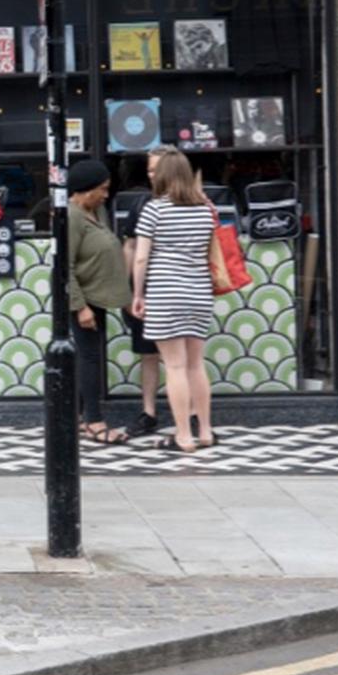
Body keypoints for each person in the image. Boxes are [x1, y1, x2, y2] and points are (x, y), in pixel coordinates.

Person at [128, 149, 220, 454]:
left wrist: (138, 294)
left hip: (165, 292)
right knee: (197, 365)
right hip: (199, 292)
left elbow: (140, 257)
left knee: (175, 367)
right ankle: (205, 430)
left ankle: (183, 436)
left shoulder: (154, 210)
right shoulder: (205, 209)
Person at [63, 158, 131, 445]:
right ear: (84, 188)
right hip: (84, 302)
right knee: (89, 360)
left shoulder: (96, 211)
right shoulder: (73, 217)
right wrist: (81, 307)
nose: (105, 195)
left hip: (99, 297)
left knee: (88, 358)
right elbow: (65, 266)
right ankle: (94, 421)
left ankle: (77, 417)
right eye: (101, 189)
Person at [118, 148, 167, 437]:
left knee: (180, 357)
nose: (153, 175)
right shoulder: (141, 204)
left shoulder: (193, 203)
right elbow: (131, 246)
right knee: (148, 354)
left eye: (157, 169)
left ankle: (191, 414)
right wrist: (128, 289)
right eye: (149, 170)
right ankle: (149, 411)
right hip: (147, 290)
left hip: (171, 290)